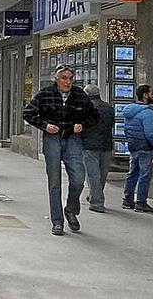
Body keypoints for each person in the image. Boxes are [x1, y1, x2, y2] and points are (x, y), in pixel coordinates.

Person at [23, 64, 98, 236]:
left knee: (78, 178)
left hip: (72, 137)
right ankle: (57, 221)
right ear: (56, 79)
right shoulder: (45, 94)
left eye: (70, 78)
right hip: (53, 138)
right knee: (54, 181)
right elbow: (28, 113)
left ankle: (71, 209)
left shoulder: (80, 95)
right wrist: (45, 126)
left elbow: (94, 115)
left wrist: (82, 125)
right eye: (64, 78)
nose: (68, 82)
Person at [122, 84, 153, 213]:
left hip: (133, 146)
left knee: (132, 173)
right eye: (152, 93)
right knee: (145, 175)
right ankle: (141, 202)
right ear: (145, 95)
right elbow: (151, 133)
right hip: (145, 148)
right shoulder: (148, 112)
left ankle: (127, 200)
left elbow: (126, 130)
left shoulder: (129, 111)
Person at [81, 84, 114, 213]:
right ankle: (95, 196)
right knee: (102, 174)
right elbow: (111, 125)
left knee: (93, 174)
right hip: (106, 145)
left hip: (90, 145)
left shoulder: (85, 109)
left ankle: (97, 202)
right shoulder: (109, 108)